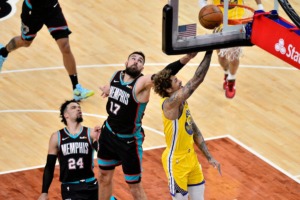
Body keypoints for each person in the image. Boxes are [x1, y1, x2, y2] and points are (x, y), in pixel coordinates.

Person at [97, 51, 198, 200]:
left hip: (128, 142)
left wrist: (187, 58)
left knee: (134, 187)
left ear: (142, 68)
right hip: (108, 134)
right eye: (133, 59)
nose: (136, 62)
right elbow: (118, 97)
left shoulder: (142, 83)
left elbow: (165, 73)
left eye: (140, 61)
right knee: (103, 177)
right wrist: (110, 91)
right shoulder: (115, 76)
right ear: (126, 63)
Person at [152, 51, 221, 200]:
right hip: (176, 162)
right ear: (169, 90)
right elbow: (197, 79)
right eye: (176, 81)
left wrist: (209, 157)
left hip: (191, 157)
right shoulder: (170, 104)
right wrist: (209, 51)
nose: (180, 81)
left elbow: (193, 129)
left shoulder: (181, 101)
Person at [0, 0, 94, 101]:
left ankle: (76, 88)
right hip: (33, 12)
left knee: (65, 46)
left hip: (52, 8)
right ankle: (3, 52)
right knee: (25, 42)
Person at [199, 0, 264, 98]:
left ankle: (231, 80)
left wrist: (260, 7)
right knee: (222, 58)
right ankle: (226, 72)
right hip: (219, 24)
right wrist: (203, 8)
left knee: (234, 58)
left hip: (237, 26)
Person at [38, 100, 101, 200]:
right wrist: (44, 192)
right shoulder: (57, 137)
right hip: (70, 188)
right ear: (66, 115)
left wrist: (98, 141)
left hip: (91, 185)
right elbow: (49, 166)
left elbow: (105, 155)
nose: (78, 109)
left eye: (79, 107)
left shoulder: (90, 133)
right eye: (73, 107)